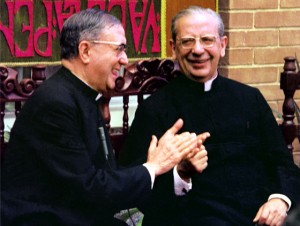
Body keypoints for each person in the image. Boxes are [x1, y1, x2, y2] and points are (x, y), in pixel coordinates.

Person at [1, 9, 209, 226]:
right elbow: (92, 189)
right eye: (119, 49)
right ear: (85, 51)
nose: (125, 60)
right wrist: (155, 166)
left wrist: (174, 166)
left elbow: (106, 176)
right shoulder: (56, 104)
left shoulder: (82, 94)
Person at [119, 6, 300, 226]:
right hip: (193, 217)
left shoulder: (250, 98)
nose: (197, 50)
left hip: (261, 214)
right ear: (173, 48)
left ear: (222, 46)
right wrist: (180, 174)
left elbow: (282, 163)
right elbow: (134, 184)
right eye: (187, 41)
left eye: (207, 40)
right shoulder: (155, 109)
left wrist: (279, 200)